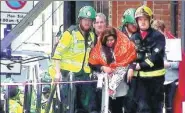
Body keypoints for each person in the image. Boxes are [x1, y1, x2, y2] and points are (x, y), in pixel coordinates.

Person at [52, 6, 97, 113]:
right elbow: (57, 54)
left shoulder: (92, 35)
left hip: (84, 76)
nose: (87, 22)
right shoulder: (70, 33)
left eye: (90, 20)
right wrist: (57, 73)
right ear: (80, 20)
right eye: (85, 20)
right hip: (69, 76)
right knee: (69, 107)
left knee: (86, 107)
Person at [127, 5, 166, 113]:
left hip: (155, 81)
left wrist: (140, 65)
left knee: (155, 108)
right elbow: (130, 55)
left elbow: (156, 56)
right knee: (143, 108)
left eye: (145, 19)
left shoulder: (158, 36)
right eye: (140, 19)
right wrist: (131, 67)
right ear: (137, 21)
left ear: (150, 20)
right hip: (139, 81)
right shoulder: (134, 37)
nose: (142, 22)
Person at [89, 27, 136, 113]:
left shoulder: (123, 47)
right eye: (107, 40)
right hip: (105, 83)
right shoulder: (99, 49)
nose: (110, 42)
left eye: (112, 40)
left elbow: (131, 57)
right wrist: (102, 67)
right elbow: (92, 63)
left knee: (118, 107)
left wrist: (129, 68)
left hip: (120, 83)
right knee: (105, 106)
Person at [152, 20, 179, 113]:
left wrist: (168, 64)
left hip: (172, 81)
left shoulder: (173, 44)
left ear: (164, 31)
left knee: (170, 108)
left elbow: (180, 64)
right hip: (157, 80)